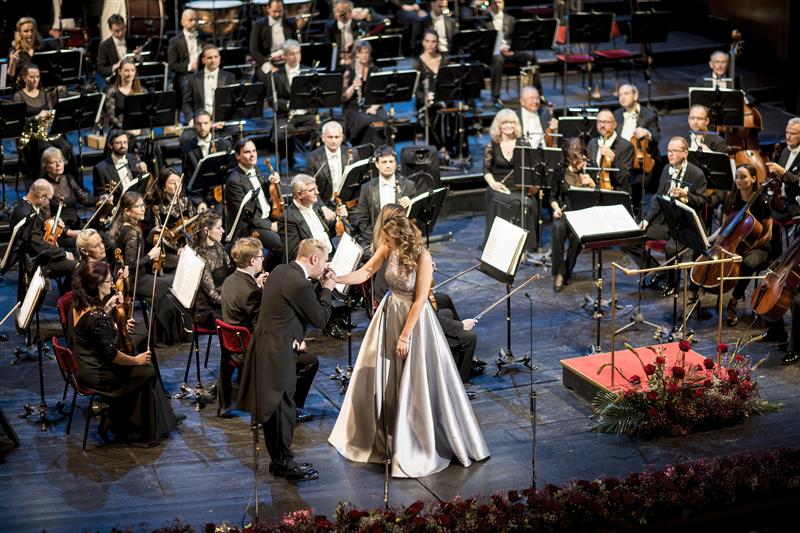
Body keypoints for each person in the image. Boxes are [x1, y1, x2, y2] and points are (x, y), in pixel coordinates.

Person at [329, 209, 489, 478]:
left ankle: (417, 441)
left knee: (416, 378)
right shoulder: (388, 248)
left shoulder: (422, 256)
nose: (384, 243)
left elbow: (420, 300)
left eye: (388, 240)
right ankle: (389, 434)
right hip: (390, 313)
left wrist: (405, 336)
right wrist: (337, 278)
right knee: (388, 375)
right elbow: (365, 272)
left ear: (400, 238)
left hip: (415, 321)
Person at [237, 238, 335, 481]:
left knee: (277, 409)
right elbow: (320, 319)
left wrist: (317, 284)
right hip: (277, 351)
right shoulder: (300, 284)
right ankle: (284, 463)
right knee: (283, 409)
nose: (325, 266)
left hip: (267, 345)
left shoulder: (281, 270)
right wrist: (327, 289)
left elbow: (296, 300)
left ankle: (279, 461)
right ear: (314, 258)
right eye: (324, 261)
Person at [69, 260, 181, 446]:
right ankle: (134, 430)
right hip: (98, 375)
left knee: (138, 355)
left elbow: (92, 331)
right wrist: (137, 360)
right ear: (97, 285)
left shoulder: (79, 304)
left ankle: (126, 420)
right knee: (147, 371)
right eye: (108, 281)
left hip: (85, 366)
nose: (112, 284)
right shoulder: (97, 318)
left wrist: (107, 309)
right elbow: (112, 355)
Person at [623, 137, 707, 292]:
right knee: (630, 239)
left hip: (685, 226)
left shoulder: (696, 174)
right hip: (666, 223)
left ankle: (672, 283)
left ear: (685, 153)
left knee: (671, 249)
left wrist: (686, 196)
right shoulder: (666, 169)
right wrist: (646, 221)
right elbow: (657, 197)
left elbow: (702, 201)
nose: (670, 154)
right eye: (668, 150)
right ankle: (658, 271)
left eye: (674, 151)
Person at [110, 191, 188, 345]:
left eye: (142, 206)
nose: (142, 209)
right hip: (133, 281)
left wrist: (151, 234)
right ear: (127, 211)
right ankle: (171, 334)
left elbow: (135, 251)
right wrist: (150, 256)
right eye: (138, 207)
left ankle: (165, 333)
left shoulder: (124, 226)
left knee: (167, 286)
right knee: (172, 284)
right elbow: (131, 265)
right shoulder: (132, 232)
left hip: (130, 277)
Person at [718, 164, 772, 326]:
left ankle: (733, 301)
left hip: (758, 246)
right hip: (734, 243)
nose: (739, 180)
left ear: (753, 179)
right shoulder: (732, 199)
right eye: (737, 177)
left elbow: (768, 234)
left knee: (747, 262)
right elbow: (724, 226)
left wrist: (748, 248)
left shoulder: (762, 201)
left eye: (743, 177)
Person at [481, 109, 539, 256]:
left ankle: (524, 246)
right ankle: (499, 244)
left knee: (528, 203)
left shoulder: (523, 144)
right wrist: (493, 183)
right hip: (498, 186)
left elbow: (531, 169)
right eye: (504, 123)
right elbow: (486, 170)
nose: (508, 125)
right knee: (499, 199)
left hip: (518, 186)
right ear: (499, 126)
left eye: (511, 122)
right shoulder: (492, 145)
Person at [224, 138, 284, 271]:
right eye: (247, 152)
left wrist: (271, 183)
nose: (252, 155)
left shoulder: (255, 170)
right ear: (238, 156)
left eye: (254, 151)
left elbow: (262, 196)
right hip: (251, 226)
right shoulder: (234, 181)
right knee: (281, 245)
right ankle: (265, 270)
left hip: (268, 218)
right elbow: (246, 215)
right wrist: (270, 226)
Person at [9, 179, 77, 295]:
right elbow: (38, 246)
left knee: (76, 250)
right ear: (42, 196)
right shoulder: (25, 214)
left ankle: (66, 294)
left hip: (41, 254)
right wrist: (64, 253)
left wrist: (54, 224)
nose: (48, 203)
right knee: (77, 266)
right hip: (35, 261)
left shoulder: (29, 206)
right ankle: (67, 299)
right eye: (48, 199)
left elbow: (40, 230)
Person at [12, 64, 77, 179]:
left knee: (67, 147)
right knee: (47, 151)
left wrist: (52, 115)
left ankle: (68, 181)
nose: (35, 80)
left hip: (46, 132)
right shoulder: (19, 96)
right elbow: (18, 123)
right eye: (32, 77)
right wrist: (36, 117)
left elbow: (51, 113)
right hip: (31, 136)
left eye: (37, 76)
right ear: (24, 77)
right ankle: (44, 182)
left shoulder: (44, 94)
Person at [351, 144, 415, 251]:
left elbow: (414, 220)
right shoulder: (367, 188)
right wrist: (375, 240)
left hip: (402, 241)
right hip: (376, 242)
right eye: (384, 162)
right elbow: (362, 220)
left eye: (391, 161)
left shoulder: (409, 186)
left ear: (396, 163)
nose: (388, 165)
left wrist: (411, 203)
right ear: (376, 164)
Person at [550, 138, 593, 291]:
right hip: (564, 212)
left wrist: (591, 184)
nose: (575, 162)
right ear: (567, 157)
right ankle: (559, 272)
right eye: (571, 158)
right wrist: (556, 208)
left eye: (578, 158)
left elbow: (599, 196)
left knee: (577, 235)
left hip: (583, 214)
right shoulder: (560, 169)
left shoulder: (590, 167)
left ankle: (568, 269)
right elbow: (552, 196)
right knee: (557, 229)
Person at [266, 39, 316, 170]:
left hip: (306, 115)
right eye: (292, 54)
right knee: (280, 133)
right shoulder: (276, 76)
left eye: (298, 53)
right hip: (286, 115)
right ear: (285, 56)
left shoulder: (309, 71)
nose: (295, 57)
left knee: (321, 129)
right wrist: (288, 104)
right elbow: (271, 99)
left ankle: (315, 161)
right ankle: (288, 159)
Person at [40, 147, 102, 249]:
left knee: (102, 238)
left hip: (77, 225)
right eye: (53, 162)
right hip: (59, 233)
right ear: (45, 166)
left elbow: (85, 200)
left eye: (60, 161)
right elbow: (47, 220)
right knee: (85, 245)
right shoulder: (43, 185)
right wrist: (70, 233)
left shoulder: (68, 179)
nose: (58, 164)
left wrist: (101, 198)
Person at [483, 0, 540, 109]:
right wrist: (499, 48)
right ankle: (496, 97)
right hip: (495, 52)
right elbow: (485, 42)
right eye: (495, 2)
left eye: (500, 2)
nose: (497, 5)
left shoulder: (510, 19)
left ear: (504, 4)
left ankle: (538, 93)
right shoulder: (484, 21)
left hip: (510, 50)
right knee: (497, 60)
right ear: (491, 4)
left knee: (531, 58)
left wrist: (513, 49)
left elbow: (516, 38)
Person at [412, 28, 459, 157]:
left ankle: (451, 148)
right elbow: (416, 90)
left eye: (433, 42)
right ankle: (440, 148)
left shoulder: (444, 60)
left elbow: (451, 82)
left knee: (454, 111)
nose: (430, 45)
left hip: (444, 98)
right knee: (436, 113)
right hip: (426, 102)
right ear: (423, 42)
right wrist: (426, 96)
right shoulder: (417, 63)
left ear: (437, 43)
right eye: (427, 41)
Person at [614, 84, 660, 209]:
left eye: (626, 94)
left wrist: (647, 133)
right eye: (620, 95)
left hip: (639, 164)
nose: (622, 97)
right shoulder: (617, 114)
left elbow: (656, 138)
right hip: (620, 160)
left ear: (635, 95)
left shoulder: (649, 115)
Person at [342, 40, 390, 146]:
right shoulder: (349, 71)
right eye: (360, 53)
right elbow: (343, 98)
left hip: (372, 106)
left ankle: (382, 150)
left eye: (366, 52)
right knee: (365, 120)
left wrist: (374, 107)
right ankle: (366, 149)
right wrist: (353, 86)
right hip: (354, 108)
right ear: (355, 54)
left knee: (385, 118)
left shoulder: (375, 70)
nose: (364, 55)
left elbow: (382, 93)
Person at [278, 175, 337, 261]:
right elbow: (294, 253)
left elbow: (327, 232)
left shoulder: (315, 206)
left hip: (331, 255)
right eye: (311, 190)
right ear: (299, 194)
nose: (317, 192)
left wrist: (338, 219)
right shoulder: (287, 218)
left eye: (316, 188)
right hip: (314, 262)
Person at [193, 211, 233, 328]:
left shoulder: (218, 245)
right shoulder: (201, 256)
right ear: (207, 231)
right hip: (209, 311)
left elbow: (231, 270)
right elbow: (213, 296)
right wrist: (234, 301)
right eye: (219, 228)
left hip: (223, 299)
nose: (223, 231)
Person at [180, 110, 232, 195]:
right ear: (194, 125)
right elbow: (188, 179)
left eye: (205, 123)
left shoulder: (224, 144)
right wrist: (198, 200)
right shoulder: (187, 149)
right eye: (199, 124)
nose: (202, 127)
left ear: (211, 123)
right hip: (199, 194)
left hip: (222, 192)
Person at [181, 44, 235, 125]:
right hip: (199, 122)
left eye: (216, 57)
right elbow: (186, 104)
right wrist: (191, 120)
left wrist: (223, 120)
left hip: (222, 121)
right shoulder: (193, 79)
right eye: (210, 58)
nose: (213, 60)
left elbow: (233, 102)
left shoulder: (229, 77)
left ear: (220, 58)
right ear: (203, 60)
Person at [305, 120, 348, 220]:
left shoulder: (351, 153)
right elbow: (309, 188)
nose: (333, 141)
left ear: (342, 137)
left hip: (347, 204)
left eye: (337, 137)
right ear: (323, 138)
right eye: (330, 137)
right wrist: (322, 207)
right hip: (325, 204)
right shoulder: (312, 158)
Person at [585, 109, 634, 195]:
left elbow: (624, 178)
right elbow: (589, 170)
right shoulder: (592, 143)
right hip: (594, 192)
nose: (602, 125)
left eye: (606, 122)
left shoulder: (625, 146)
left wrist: (613, 159)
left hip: (616, 193)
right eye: (599, 122)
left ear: (614, 125)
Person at [168, 8, 205, 122]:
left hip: (202, 71)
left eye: (196, 20)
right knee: (189, 86)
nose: (194, 22)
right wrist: (190, 66)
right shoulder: (175, 41)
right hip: (185, 74)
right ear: (182, 22)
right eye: (190, 20)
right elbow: (172, 65)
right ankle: (191, 120)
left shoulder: (202, 37)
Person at [92, 130, 149, 201]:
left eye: (125, 142)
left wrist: (144, 173)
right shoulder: (101, 168)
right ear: (110, 145)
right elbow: (100, 198)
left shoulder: (133, 158)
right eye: (118, 143)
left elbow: (141, 186)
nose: (123, 146)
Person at [250, 0, 297, 82]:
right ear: (268, 8)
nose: (277, 14)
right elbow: (253, 50)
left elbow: (295, 45)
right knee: (276, 79)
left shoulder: (290, 23)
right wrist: (269, 67)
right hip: (267, 62)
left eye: (280, 11)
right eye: (275, 11)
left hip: (287, 61)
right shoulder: (258, 25)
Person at [102, 57, 145, 131]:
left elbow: (144, 115)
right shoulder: (112, 91)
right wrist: (127, 129)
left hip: (138, 129)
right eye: (126, 71)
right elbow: (111, 116)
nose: (130, 74)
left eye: (132, 70)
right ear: (119, 71)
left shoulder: (142, 91)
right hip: (119, 129)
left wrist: (139, 128)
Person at [97, 14, 129, 80]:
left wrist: (139, 58)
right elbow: (101, 69)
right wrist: (115, 66)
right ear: (110, 29)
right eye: (117, 31)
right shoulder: (104, 46)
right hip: (115, 81)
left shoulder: (132, 41)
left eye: (122, 29)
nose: (121, 33)